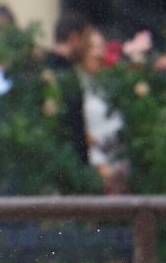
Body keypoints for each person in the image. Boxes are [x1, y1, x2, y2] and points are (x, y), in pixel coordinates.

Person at [79, 25, 126, 192]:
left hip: (120, 165)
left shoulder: (113, 83)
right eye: (92, 47)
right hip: (93, 166)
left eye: (101, 47)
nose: (97, 53)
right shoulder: (77, 86)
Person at [43, 12, 91, 164]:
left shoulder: (43, 67)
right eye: (86, 40)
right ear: (74, 38)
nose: (88, 47)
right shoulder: (65, 74)